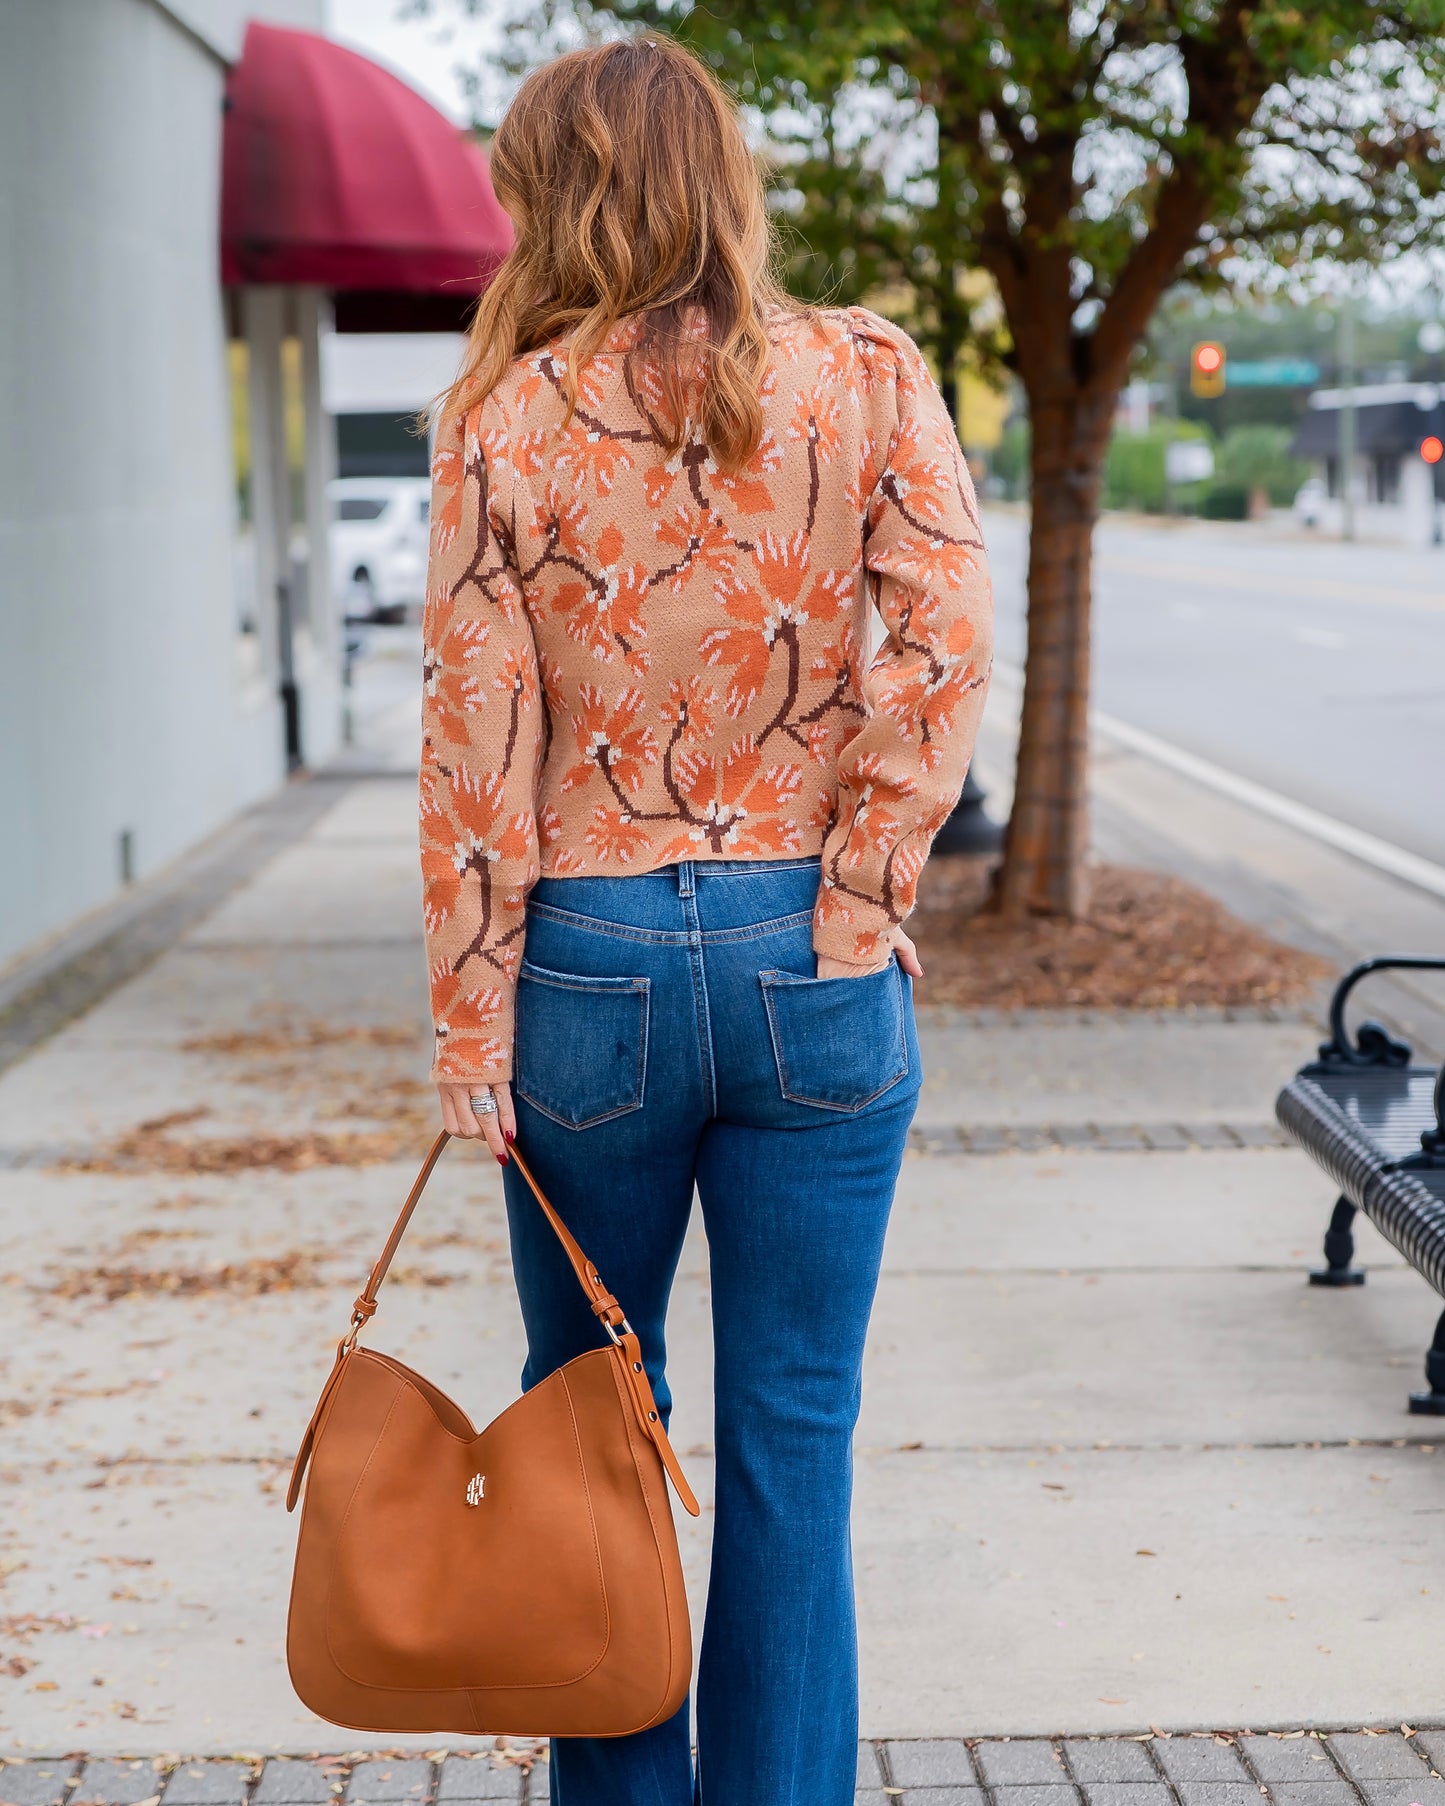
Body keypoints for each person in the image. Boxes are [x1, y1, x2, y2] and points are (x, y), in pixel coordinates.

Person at [420, 33, 992, 1806]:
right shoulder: (866, 377)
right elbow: (946, 643)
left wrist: (469, 1010)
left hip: (585, 972)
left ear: (556, 196)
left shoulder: (502, 417)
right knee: (790, 1450)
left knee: (593, 1426)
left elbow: (472, 729)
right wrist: (863, 887)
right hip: (809, 970)